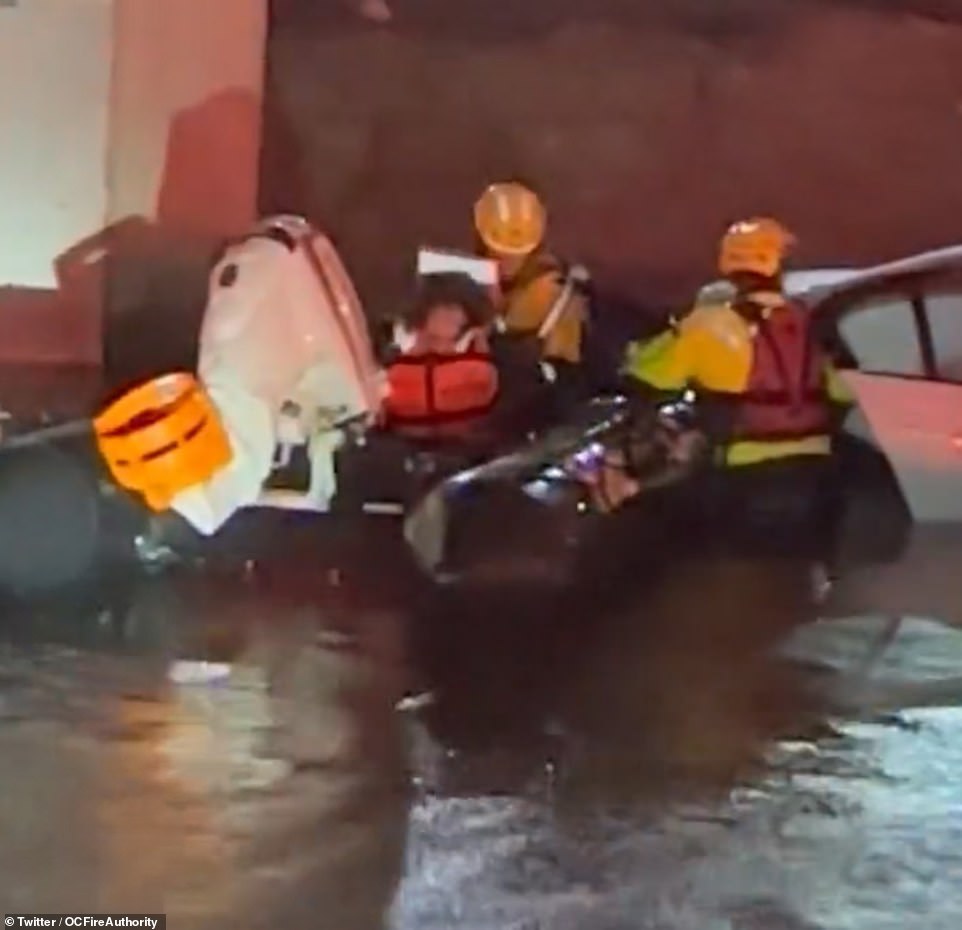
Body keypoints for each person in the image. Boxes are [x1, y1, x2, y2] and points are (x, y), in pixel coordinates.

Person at [621, 216, 854, 552]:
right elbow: (843, 390)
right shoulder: (809, 322)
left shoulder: (708, 323)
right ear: (777, 265)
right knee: (802, 575)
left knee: (706, 557)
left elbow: (646, 375)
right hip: (815, 473)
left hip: (743, 476)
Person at [473, 181, 591, 389]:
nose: (506, 259)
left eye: (513, 254)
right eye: (498, 251)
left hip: (525, 397)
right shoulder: (467, 278)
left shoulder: (557, 296)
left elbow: (562, 373)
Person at [381, 272, 501, 442]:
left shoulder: (481, 367)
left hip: (469, 457)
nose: (453, 315)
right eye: (444, 307)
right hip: (403, 455)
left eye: (460, 308)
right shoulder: (395, 369)